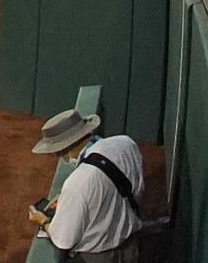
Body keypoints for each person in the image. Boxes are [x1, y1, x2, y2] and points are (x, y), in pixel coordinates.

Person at [29, 111, 144, 259]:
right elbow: (132, 186)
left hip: (99, 257)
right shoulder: (125, 143)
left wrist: (43, 221)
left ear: (62, 149)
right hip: (133, 245)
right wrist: (74, 199)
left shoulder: (77, 184)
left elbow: (64, 240)